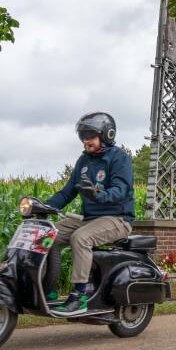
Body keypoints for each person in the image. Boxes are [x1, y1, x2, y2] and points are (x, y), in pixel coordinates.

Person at [44, 112, 135, 316]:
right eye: (83, 136)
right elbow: (67, 192)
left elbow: (121, 191)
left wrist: (97, 194)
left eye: (91, 136)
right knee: (47, 235)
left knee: (81, 238)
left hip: (117, 219)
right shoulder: (84, 161)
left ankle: (79, 296)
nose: (86, 141)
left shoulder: (119, 158)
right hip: (90, 219)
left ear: (106, 135)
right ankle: (47, 290)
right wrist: (44, 206)